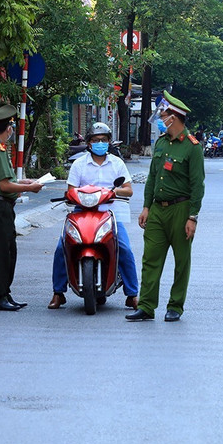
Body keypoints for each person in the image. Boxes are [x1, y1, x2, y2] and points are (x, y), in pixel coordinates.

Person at [126, 91, 205, 322]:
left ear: (175, 117)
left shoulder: (192, 147)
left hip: (181, 210)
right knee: (150, 259)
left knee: (182, 261)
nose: (161, 118)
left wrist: (193, 216)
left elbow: (197, 185)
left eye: (164, 114)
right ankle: (147, 306)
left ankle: (175, 306)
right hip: (157, 210)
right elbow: (152, 177)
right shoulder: (160, 143)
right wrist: (146, 206)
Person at [49, 122, 139, 310]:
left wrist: (113, 192)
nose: (100, 143)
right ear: (89, 143)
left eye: (104, 140)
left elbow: (128, 190)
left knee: (124, 248)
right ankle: (58, 292)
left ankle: (132, 294)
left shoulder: (117, 163)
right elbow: (71, 191)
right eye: (96, 140)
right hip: (82, 212)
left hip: (109, 212)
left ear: (109, 142)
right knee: (61, 247)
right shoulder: (79, 165)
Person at [0, 104, 43, 311]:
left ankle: (4, 293)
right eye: (12, 127)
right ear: (8, 128)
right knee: (1, 253)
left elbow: (7, 180)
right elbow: (4, 185)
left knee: (8, 251)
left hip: (1, 205)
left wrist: (25, 183)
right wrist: (31, 188)